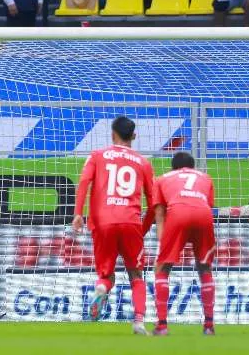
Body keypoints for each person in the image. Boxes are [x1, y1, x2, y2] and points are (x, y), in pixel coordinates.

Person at [71, 116, 155, 335]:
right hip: (131, 222)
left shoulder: (97, 156)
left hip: (103, 222)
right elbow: (154, 204)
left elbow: (83, 182)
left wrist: (78, 214)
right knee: (136, 275)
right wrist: (142, 229)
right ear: (134, 136)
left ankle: (101, 288)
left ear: (112, 134)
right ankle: (138, 322)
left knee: (106, 275)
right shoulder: (143, 162)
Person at [150, 152, 217, 336]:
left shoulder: (162, 179)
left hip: (177, 213)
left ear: (173, 167)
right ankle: (209, 325)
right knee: (204, 267)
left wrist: (163, 245)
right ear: (192, 167)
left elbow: (160, 214)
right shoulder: (205, 177)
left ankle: (162, 325)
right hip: (204, 215)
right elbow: (207, 205)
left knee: (162, 269)